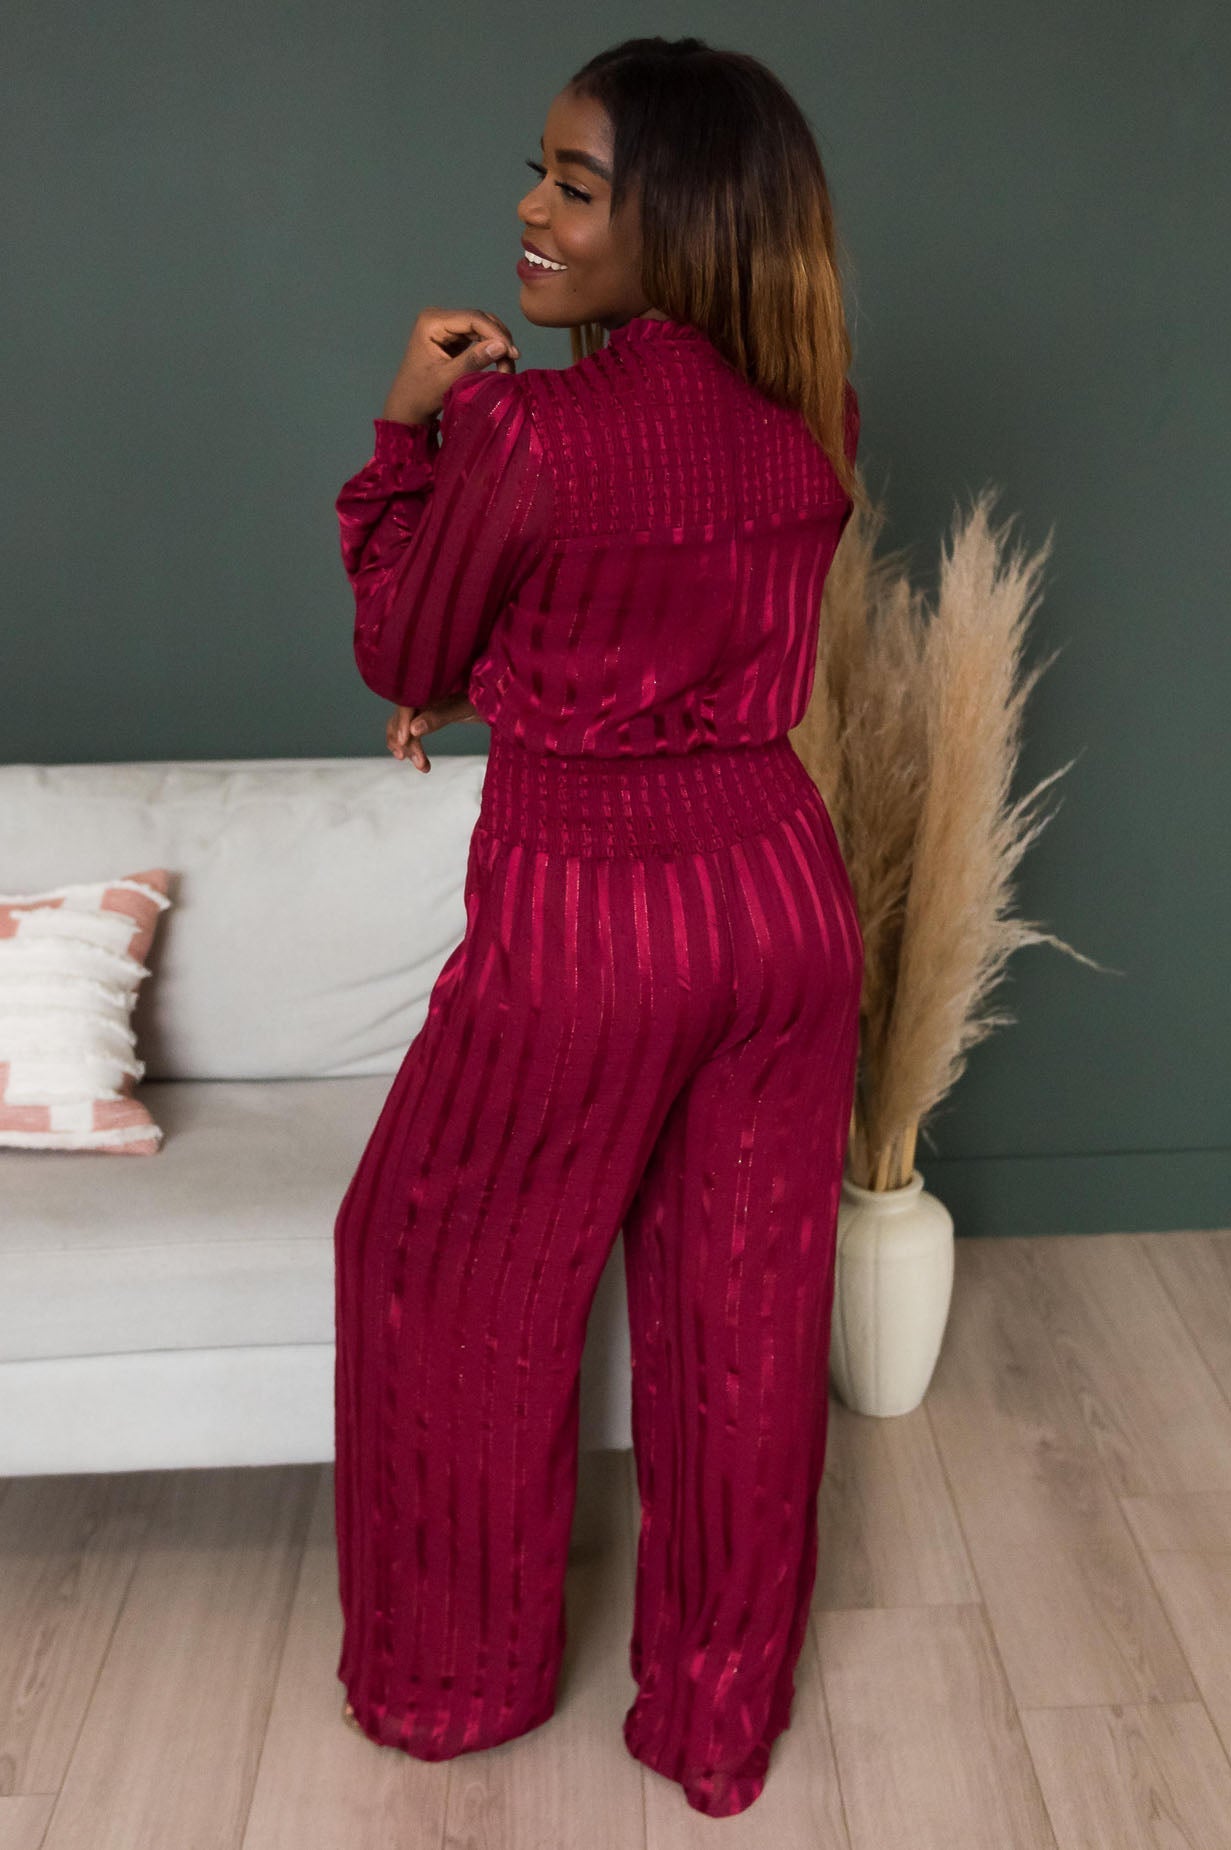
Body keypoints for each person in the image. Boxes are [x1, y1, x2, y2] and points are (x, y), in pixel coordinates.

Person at [331, 34, 866, 1819]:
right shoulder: (813, 417)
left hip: (591, 918)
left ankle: (451, 1688)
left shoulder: (525, 430)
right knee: (744, 1319)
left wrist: (406, 427)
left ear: (685, 220)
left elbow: (405, 645)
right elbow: (652, 616)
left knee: (434, 1266)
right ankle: (715, 1726)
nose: (530, 210)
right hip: (781, 901)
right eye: (540, 172)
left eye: (573, 184)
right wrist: (499, 665)